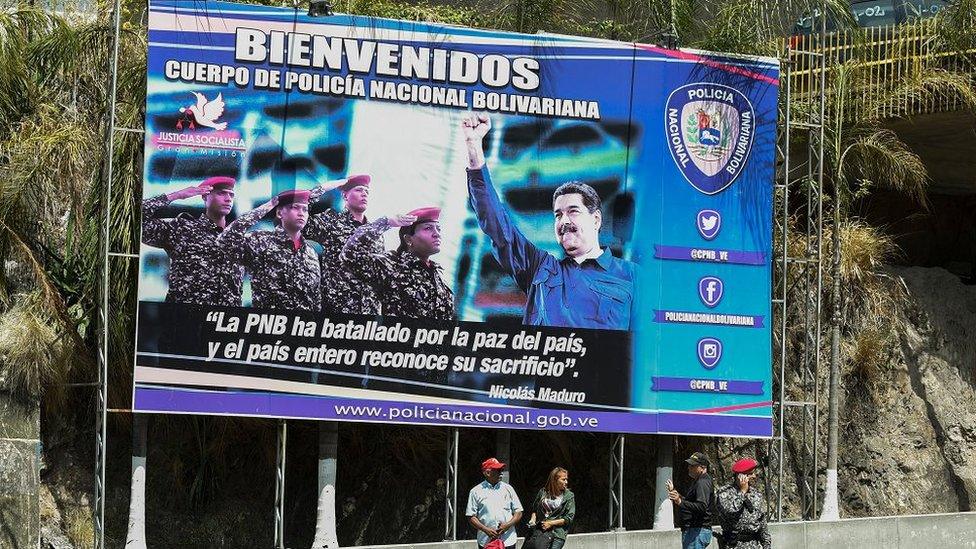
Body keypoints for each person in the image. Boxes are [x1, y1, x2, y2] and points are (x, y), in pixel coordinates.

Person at [460, 113, 637, 331]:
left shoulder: (632, 276)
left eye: (573, 211)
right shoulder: (540, 269)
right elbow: (497, 226)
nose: (564, 221)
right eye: (558, 214)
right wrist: (474, 148)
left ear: (596, 219)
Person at [141, 176, 243, 306]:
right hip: (187, 318)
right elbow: (137, 219)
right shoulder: (182, 229)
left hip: (225, 322)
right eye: (221, 193)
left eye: (231, 195)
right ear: (205, 197)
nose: (228, 199)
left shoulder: (237, 239)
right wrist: (176, 195)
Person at [342, 206, 456, 321]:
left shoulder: (438, 275)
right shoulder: (393, 264)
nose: (437, 234)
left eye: (438, 229)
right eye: (428, 228)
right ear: (408, 239)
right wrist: (386, 223)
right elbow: (350, 255)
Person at [217, 189, 321, 311]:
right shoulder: (261, 241)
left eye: (305, 210)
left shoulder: (311, 253)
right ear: (279, 213)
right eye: (295, 207)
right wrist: (265, 207)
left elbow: (315, 299)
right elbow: (225, 240)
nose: (301, 213)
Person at [304, 174, 383, 315]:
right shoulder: (331, 222)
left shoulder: (376, 233)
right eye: (359, 190)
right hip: (339, 309)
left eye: (367, 191)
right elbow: (299, 217)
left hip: (370, 312)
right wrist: (322, 189)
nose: (364, 194)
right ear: (345, 195)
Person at [465, 457, 523, 549]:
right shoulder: (476, 491)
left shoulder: (508, 489)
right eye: (498, 470)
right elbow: (471, 516)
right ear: (487, 473)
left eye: (502, 469)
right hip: (486, 541)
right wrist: (485, 530)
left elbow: (518, 512)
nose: (501, 472)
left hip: (508, 540)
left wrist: (507, 525)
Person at [715, 458, 771, 549]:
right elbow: (731, 511)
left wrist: (766, 544)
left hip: (754, 545)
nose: (754, 476)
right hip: (734, 544)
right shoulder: (724, 493)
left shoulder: (756, 494)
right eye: (751, 474)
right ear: (740, 476)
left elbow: (762, 521)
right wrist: (742, 492)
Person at [668, 451, 715, 549]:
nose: (689, 468)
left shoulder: (702, 482)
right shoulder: (698, 481)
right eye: (689, 465)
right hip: (694, 530)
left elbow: (702, 506)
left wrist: (680, 501)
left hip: (697, 531)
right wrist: (677, 495)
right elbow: (691, 502)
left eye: (693, 466)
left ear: (702, 467)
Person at [527, 467, 575, 549]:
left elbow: (569, 518)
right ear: (555, 480)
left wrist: (551, 523)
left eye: (566, 479)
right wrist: (532, 520)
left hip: (557, 534)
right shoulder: (543, 492)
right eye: (563, 479)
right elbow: (535, 509)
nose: (566, 482)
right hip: (540, 531)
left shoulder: (569, 496)